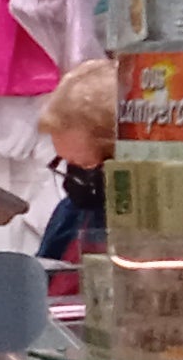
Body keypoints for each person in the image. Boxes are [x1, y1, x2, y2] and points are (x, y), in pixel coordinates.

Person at [32, 57, 118, 268]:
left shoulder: (150, 230)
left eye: (84, 166)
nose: (72, 181)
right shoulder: (68, 214)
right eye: (65, 163)